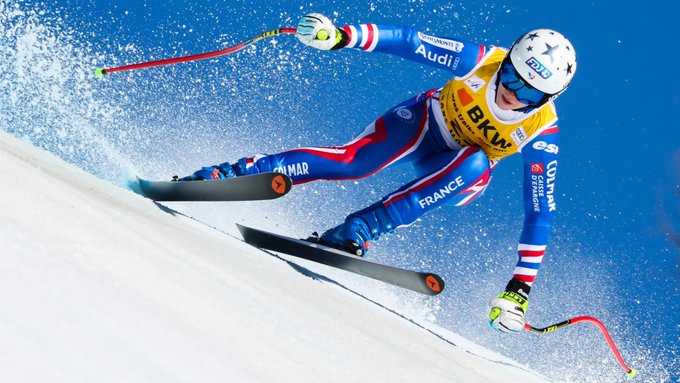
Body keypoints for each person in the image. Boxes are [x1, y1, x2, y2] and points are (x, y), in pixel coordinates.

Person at [179, 13, 576, 334]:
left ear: (547, 100)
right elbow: (410, 41)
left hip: (456, 172)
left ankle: (356, 233)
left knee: (476, 163)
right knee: (354, 162)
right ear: (505, 63)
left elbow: (540, 210)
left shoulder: (541, 132)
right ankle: (229, 174)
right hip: (425, 123)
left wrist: (519, 289)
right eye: (510, 78)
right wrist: (340, 36)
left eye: (529, 94)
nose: (511, 93)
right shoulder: (481, 61)